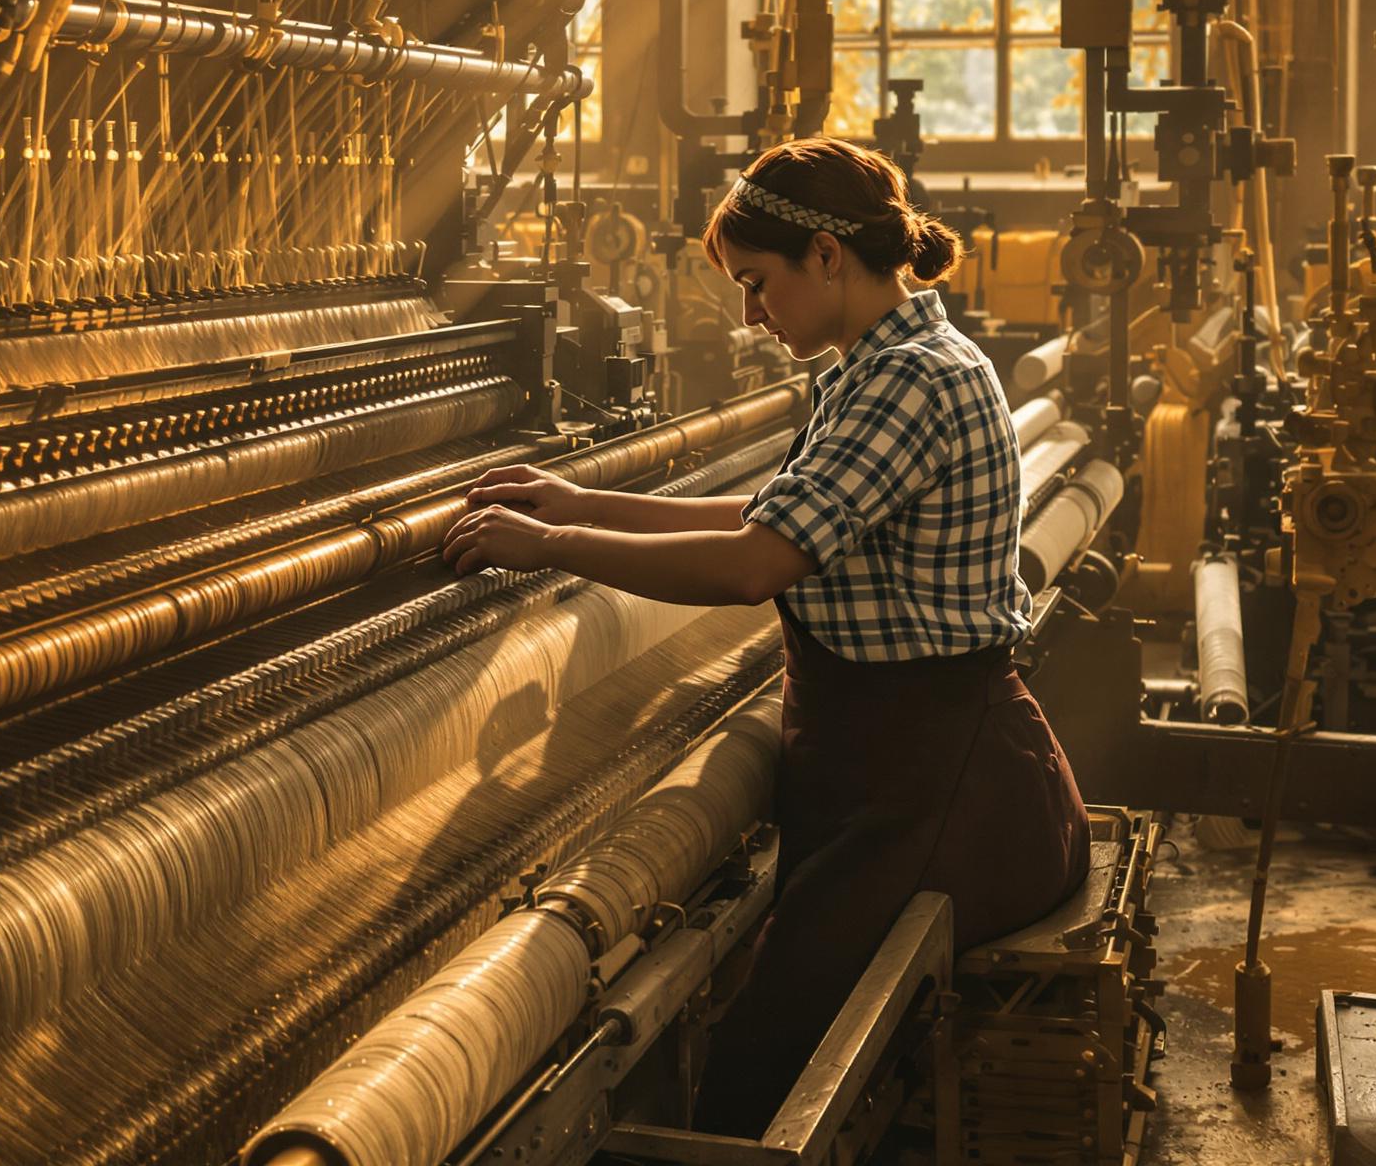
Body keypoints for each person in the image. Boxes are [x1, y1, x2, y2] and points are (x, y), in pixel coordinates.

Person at [440, 134, 1089, 1135]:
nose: (748, 313)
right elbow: (770, 514)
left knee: (755, 1080)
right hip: (887, 769)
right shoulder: (870, 367)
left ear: (827, 255)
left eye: (757, 283)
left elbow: (754, 566)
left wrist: (553, 542)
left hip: (941, 790)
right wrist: (585, 499)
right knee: (773, 1050)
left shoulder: (911, 378)